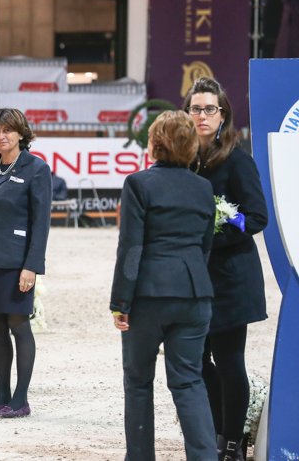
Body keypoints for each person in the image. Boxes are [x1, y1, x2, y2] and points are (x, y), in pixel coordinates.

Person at [110, 110, 217, 460]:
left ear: (155, 143)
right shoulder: (204, 188)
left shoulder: (138, 184)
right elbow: (205, 246)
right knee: (189, 381)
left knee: (138, 382)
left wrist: (120, 302)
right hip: (194, 293)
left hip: (148, 295)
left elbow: (131, 247)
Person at [184, 77, 269, 461]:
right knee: (196, 361)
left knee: (230, 361)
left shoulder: (237, 159)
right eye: (195, 108)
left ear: (223, 115)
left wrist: (216, 232)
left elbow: (256, 217)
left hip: (232, 277)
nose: (202, 115)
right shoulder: (184, 159)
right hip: (193, 277)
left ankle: (232, 443)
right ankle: (218, 432)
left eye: (209, 109)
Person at [0, 108, 52, 419]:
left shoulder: (37, 168)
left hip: (17, 261)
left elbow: (41, 222)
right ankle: (0, 395)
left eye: (7, 130)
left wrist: (32, 266)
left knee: (18, 324)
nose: (1, 136)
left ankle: (20, 400)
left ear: (20, 133)